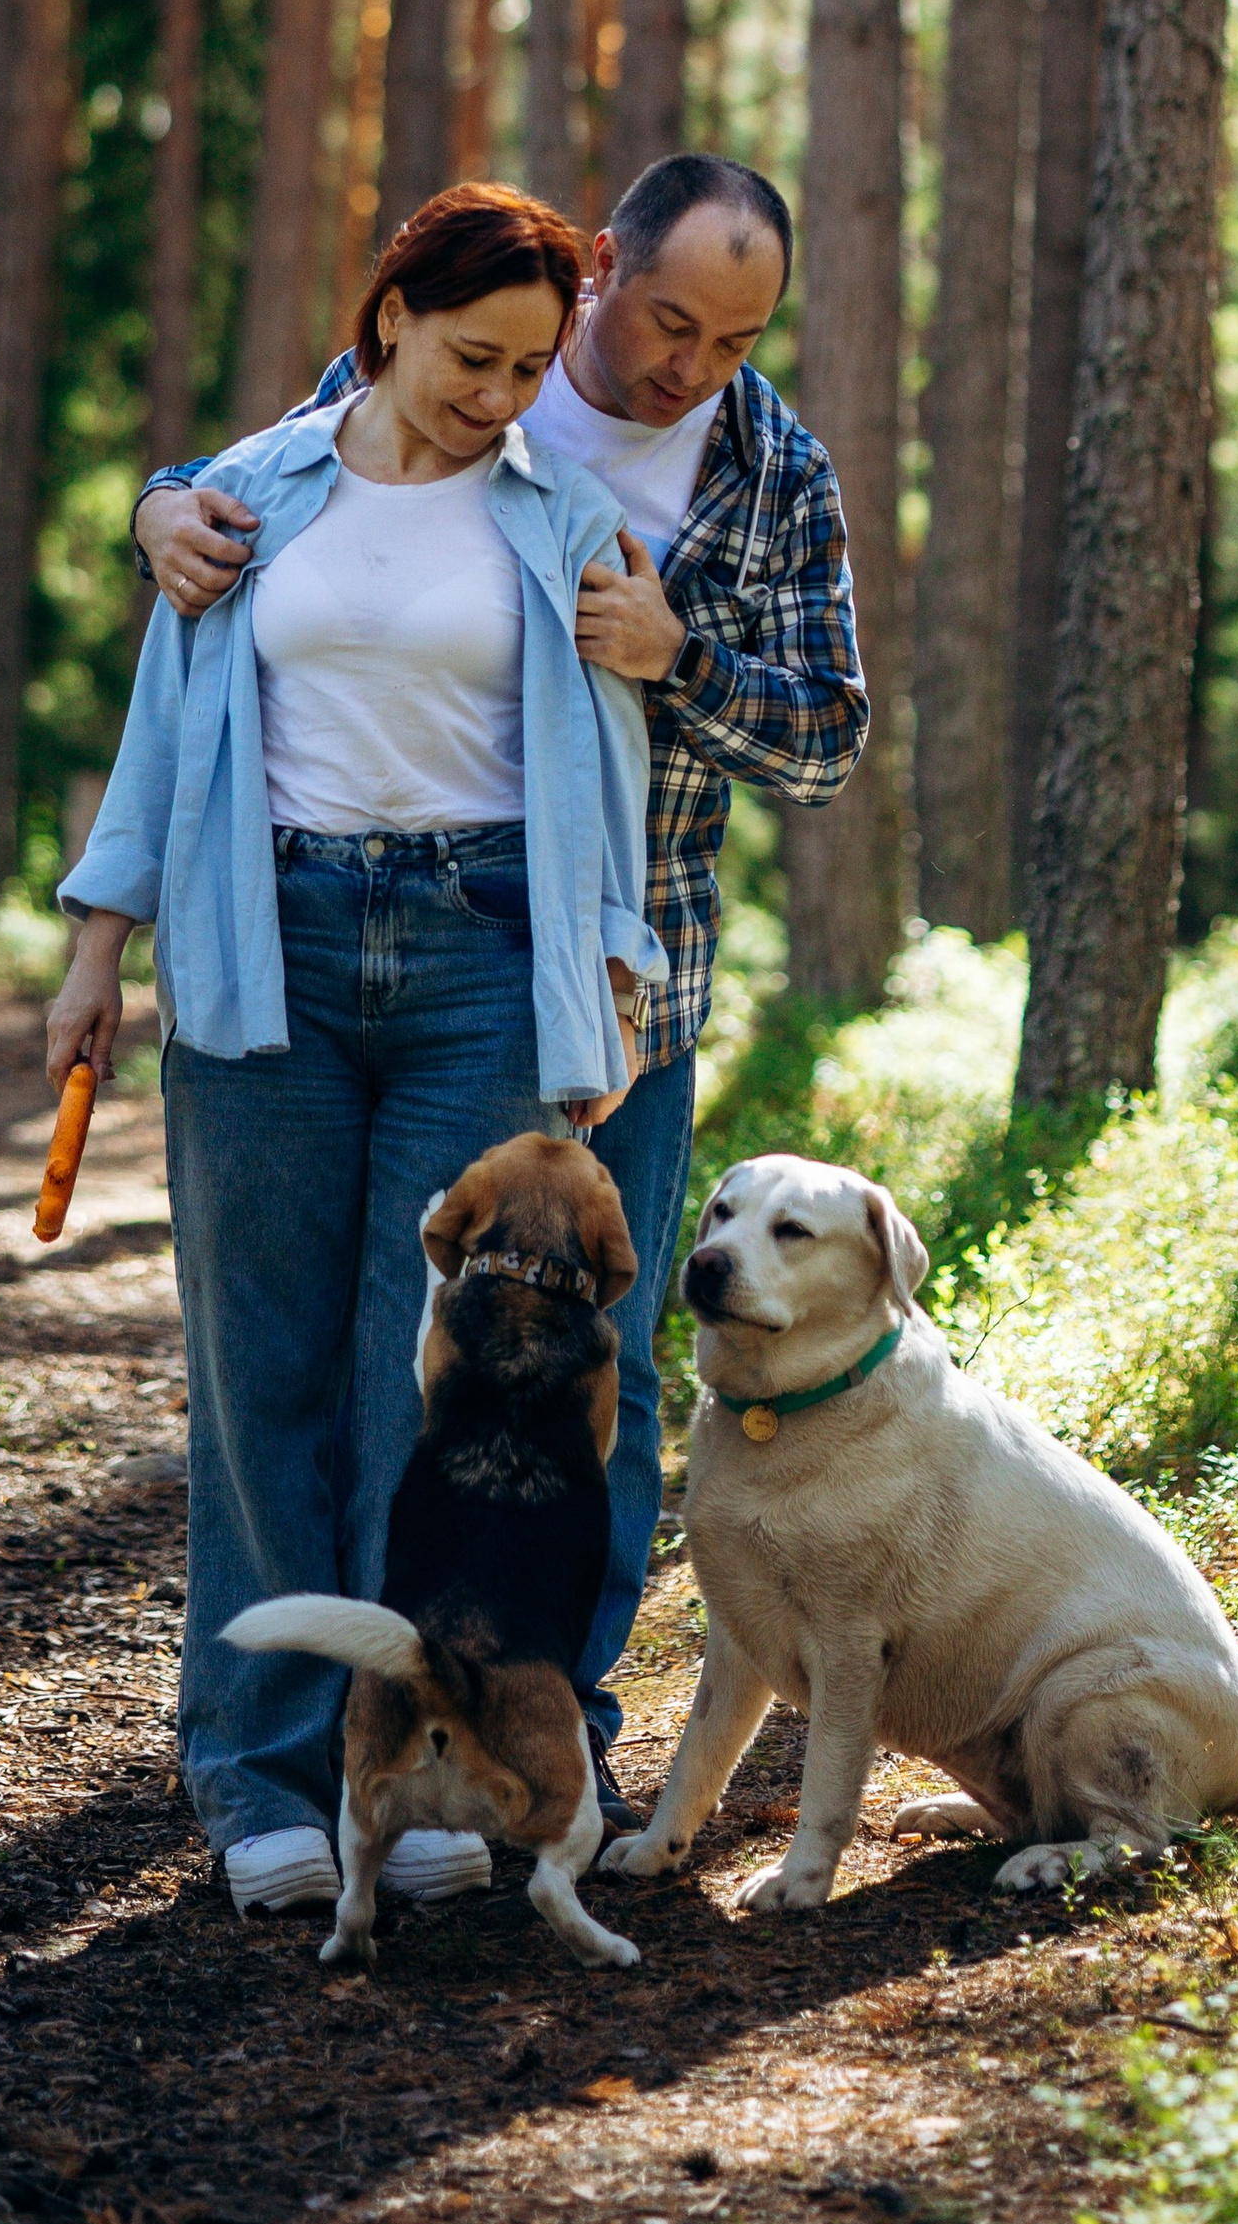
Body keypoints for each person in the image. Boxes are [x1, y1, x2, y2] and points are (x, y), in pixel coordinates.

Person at [133, 150, 869, 1825]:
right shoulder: (481, 350)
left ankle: (551, 1735)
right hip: (374, 937)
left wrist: (680, 658)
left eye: (736, 341)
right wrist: (153, 505)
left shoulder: (774, 471)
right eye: (670, 319)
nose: (690, 367)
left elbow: (828, 738)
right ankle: (313, 1756)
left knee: (580, 1393)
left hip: (631, 984)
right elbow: (267, 481)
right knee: (335, 1360)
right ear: (603, 266)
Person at [46, 184, 664, 1922]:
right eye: (476, 357)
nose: (502, 397)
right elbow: (166, 736)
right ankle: (255, 1771)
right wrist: (98, 949)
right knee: (266, 1373)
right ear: (391, 319)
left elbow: (606, 762)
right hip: (272, 950)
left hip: (481, 955)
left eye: (535, 366)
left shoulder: (566, 514)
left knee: (444, 1388)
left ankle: (428, 1760)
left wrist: (611, 972)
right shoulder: (248, 495)